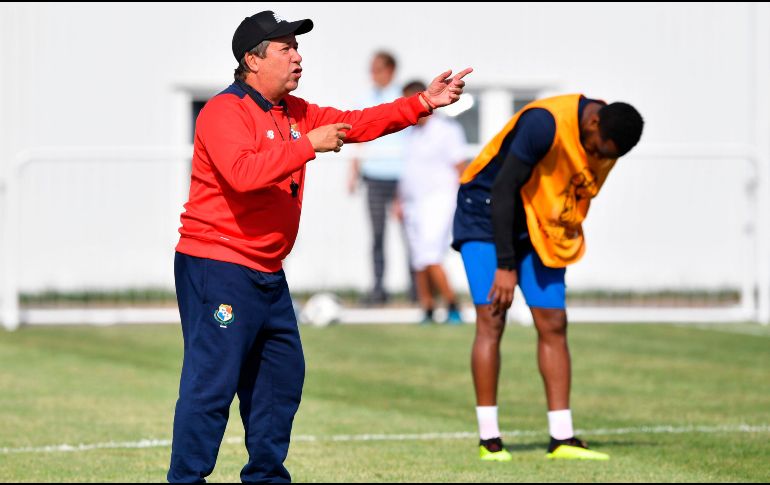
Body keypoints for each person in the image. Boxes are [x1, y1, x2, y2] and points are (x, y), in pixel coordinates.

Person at [168, 10, 472, 483]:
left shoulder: (295, 112)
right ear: (252, 59)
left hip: (266, 270)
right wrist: (308, 144)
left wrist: (422, 103)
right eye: (285, 48)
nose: (297, 57)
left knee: (280, 379)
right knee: (211, 385)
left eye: (297, 47)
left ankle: (266, 478)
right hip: (217, 263)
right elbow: (243, 174)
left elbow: (359, 122)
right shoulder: (223, 110)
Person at [452, 94, 643, 461]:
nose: (602, 159)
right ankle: (489, 439)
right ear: (592, 124)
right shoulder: (544, 123)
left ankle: (562, 437)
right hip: (486, 210)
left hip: (539, 219)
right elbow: (504, 189)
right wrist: (506, 265)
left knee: (554, 322)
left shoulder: (608, 130)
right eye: (601, 150)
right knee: (492, 318)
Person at [398, 80, 467, 324]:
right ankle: (427, 307)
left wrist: (468, 201)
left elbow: (461, 168)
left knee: (430, 254)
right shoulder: (410, 133)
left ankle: (452, 305)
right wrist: (400, 201)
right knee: (418, 257)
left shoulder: (447, 130)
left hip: (440, 200)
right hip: (413, 202)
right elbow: (408, 171)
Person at [347, 51, 411, 305]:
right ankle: (378, 290)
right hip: (373, 177)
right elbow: (357, 136)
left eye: (377, 69)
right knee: (377, 237)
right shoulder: (366, 98)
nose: (373, 75)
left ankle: (417, 289)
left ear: (391, 70)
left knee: (410, 236)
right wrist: (353, 171)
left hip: (400, 178)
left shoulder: (401, 96)